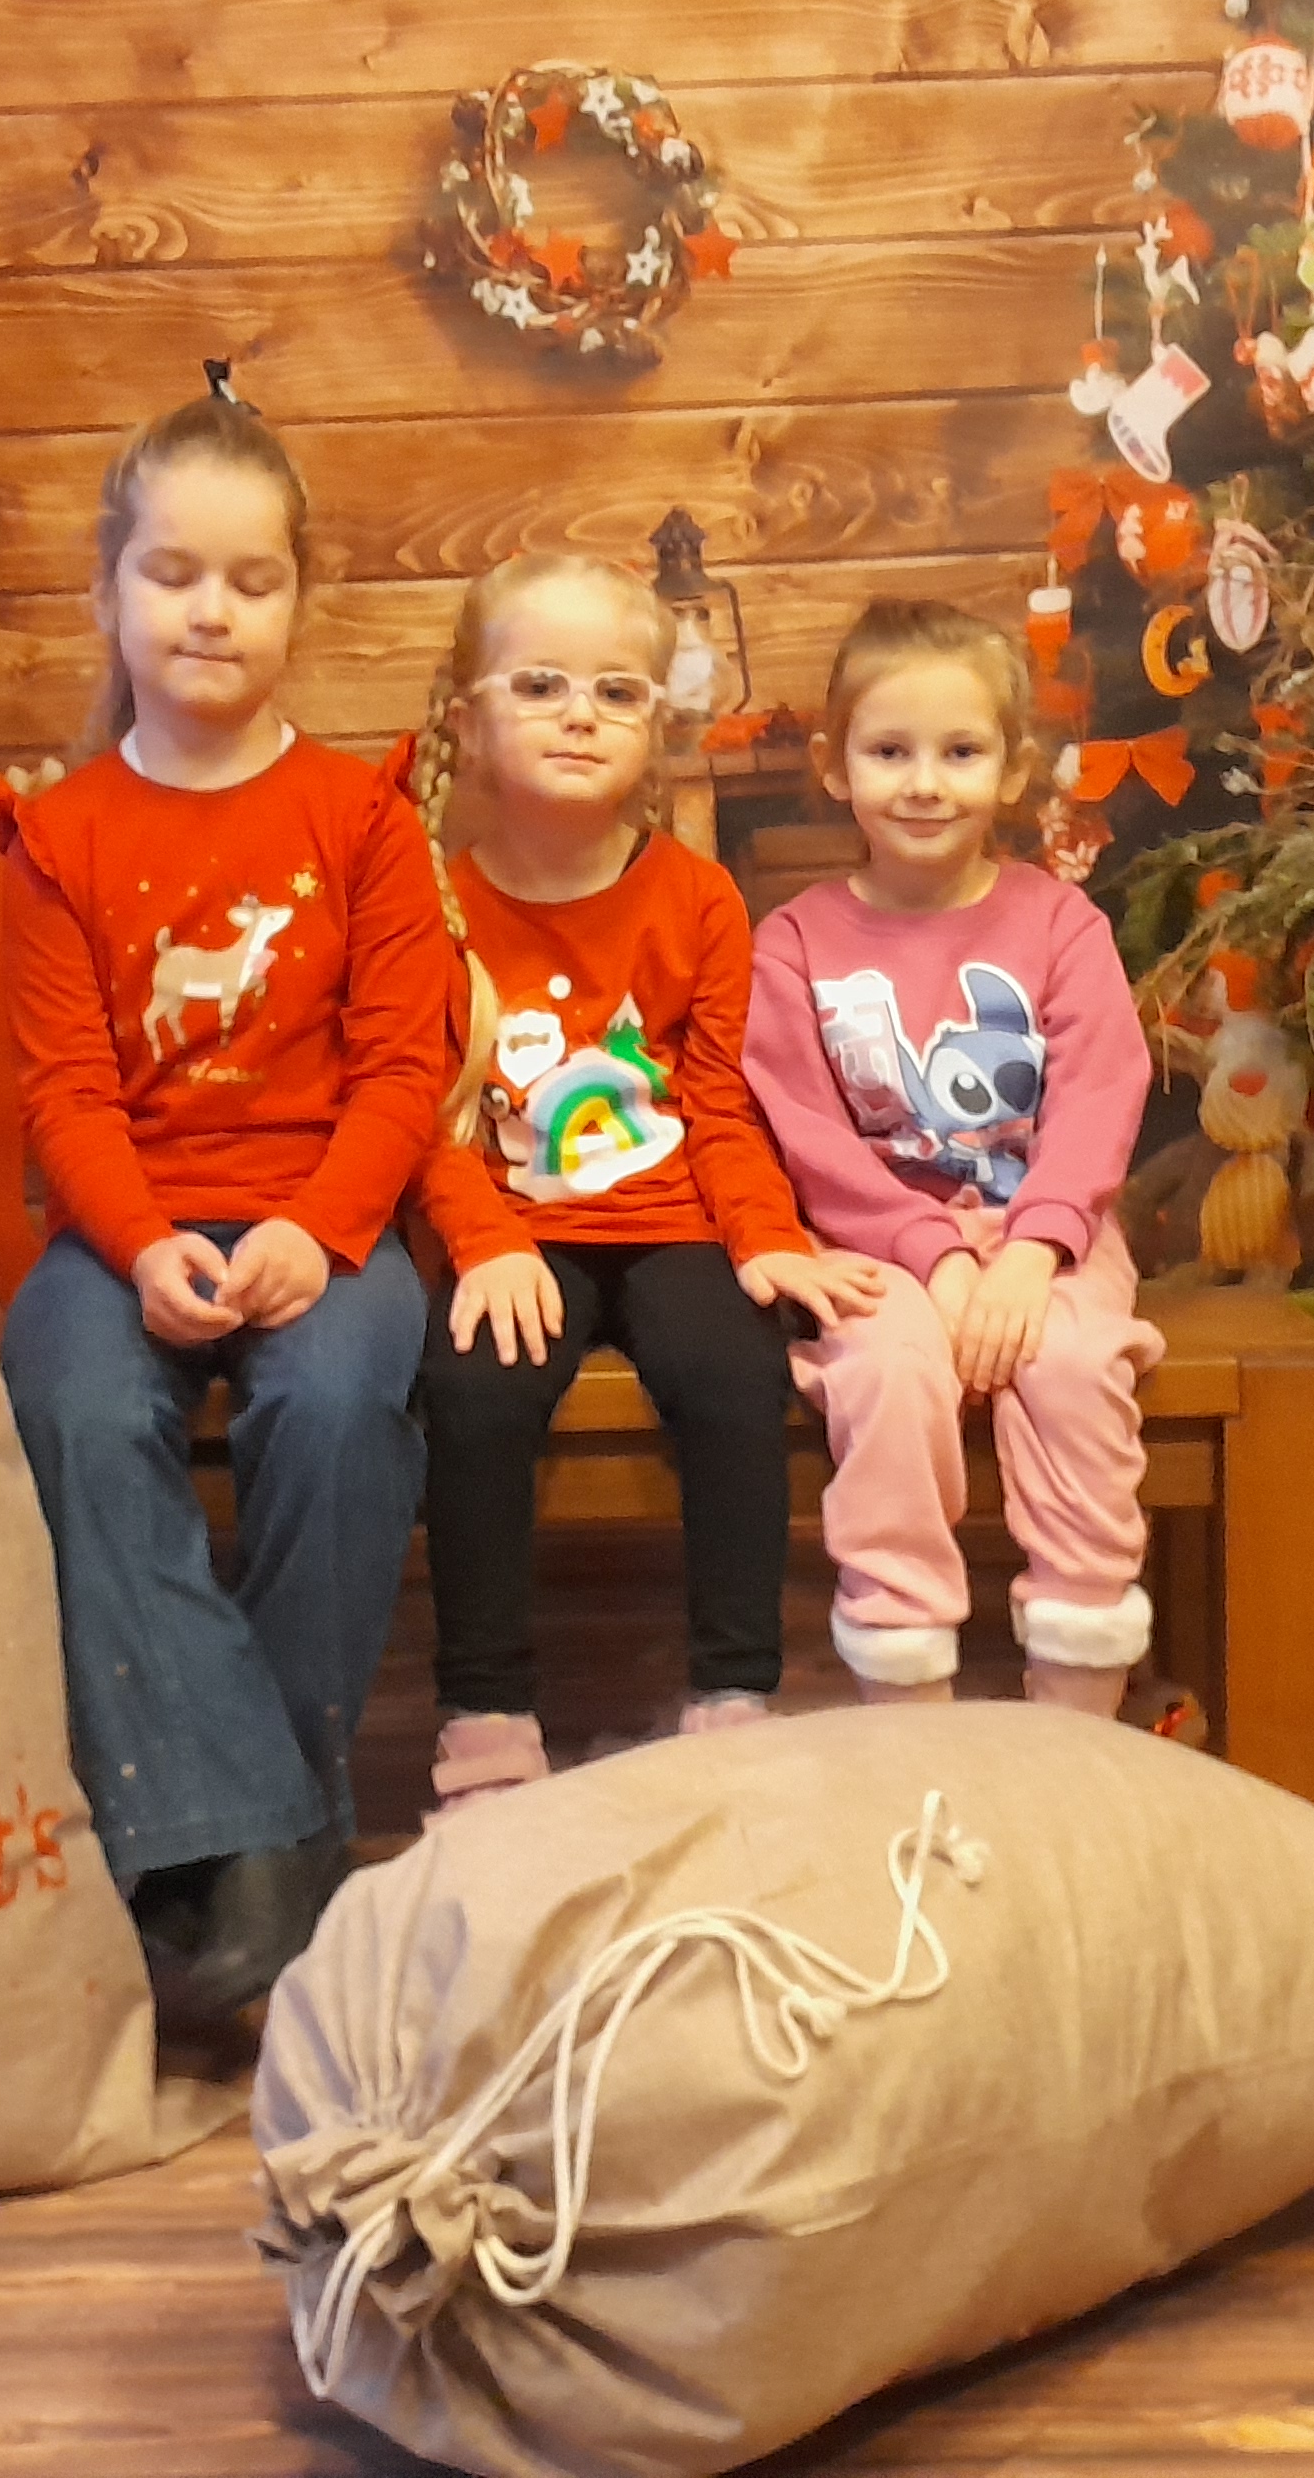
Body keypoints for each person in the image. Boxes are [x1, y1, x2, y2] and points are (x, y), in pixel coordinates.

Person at [0, 382, 453, 2026]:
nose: (210, 608)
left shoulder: (363, 821)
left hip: (321, 1219)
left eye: (252, 580)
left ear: (298, 602)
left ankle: (222, 1859)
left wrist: (313, 1231)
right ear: (107, 591)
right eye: (173, 571)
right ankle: (271, 1844)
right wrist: (137, 1246)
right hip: (124, 1228)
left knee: (334, 1404)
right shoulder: (58, 837)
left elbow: (404, 1066)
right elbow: (65, 1092)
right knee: (65, 1402)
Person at [397, 554, 893, 1811]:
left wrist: (767, 1238)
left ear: (656, 728)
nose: (581, 715)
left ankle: (734, 1694)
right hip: (518, 1230)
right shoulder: (431, 908)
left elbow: (719, 1103)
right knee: (474, 1386)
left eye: (616, 692)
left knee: (733, 1373)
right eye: (542, 685)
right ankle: (486, 1712)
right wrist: (486, 1243)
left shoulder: (700, 900)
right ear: (468, 719)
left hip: (675, 1220)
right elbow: (428, 1118)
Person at [742, 598, 1164, 1716]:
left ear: (1013, 769)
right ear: (835, 767)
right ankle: (908, 1701)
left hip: (1049, 1233)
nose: (924, 784)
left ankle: (1077, 1711)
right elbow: (807, 1134)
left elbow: (1099, 1095)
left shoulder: (1060, 924)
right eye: (890, 752)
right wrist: (933, 1256)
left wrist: (1030, 1253)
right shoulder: (794, 944)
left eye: (961, 753)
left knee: (1070, 1367)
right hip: (874, 1242)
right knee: (888, 1374)